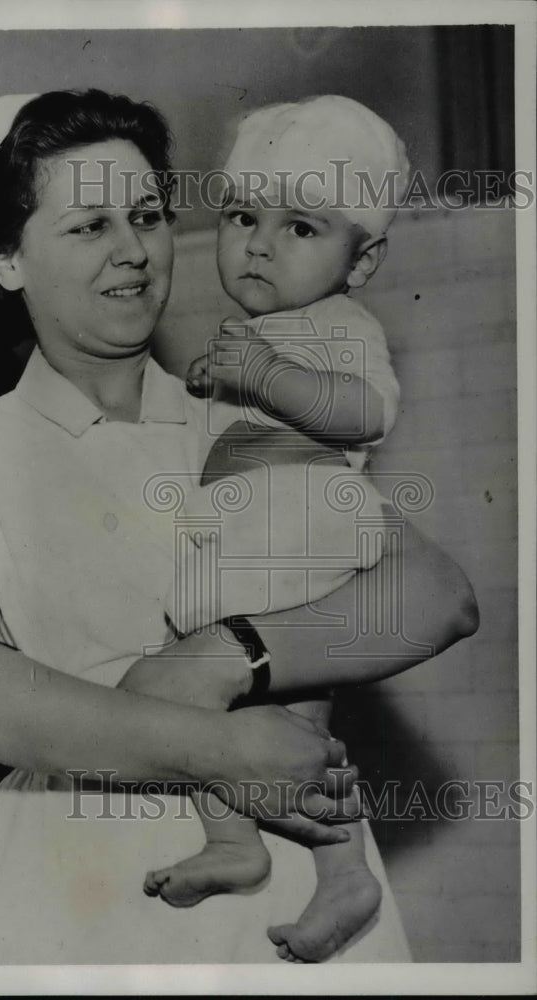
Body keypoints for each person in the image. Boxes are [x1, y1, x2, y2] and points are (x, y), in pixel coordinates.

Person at [0, 90, 477, 965]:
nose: (133, 250)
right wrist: (220, 744)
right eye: (89, 225)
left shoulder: (245, 412)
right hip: (79, 876)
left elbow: (438, 596)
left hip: (291, 871)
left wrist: (230, 653)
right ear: (6, 259)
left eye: (149, 215)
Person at [142, 96, 411, 962]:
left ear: (361, 260)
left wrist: (263, 375)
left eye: (299, 226)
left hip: (301, 545)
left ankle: (344, 874)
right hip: (228, 554)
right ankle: (233, 841)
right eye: (241, 215)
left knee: (295, 731)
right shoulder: (242, 338)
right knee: (199, 716)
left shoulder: (341, 326)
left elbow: (360, 413)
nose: (257, 242)